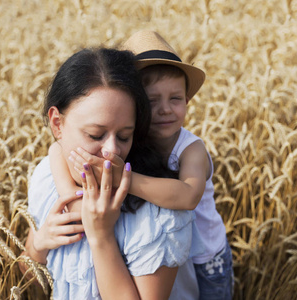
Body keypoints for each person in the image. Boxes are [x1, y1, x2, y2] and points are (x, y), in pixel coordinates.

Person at [20, 47, 203, 299]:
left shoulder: (157, 215)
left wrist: (102, 237)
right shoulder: (46, 178)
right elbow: (27, 277)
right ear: (57, 124)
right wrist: (38, 245)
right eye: (95, 135)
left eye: (125, 136)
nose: (112, 151)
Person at [67, 31, 234, 299]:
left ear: (188, 101)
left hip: (206, 260)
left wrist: (124, 178)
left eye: (175, 99)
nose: (165, 109)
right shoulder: (129, 138)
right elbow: (57, 149)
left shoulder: (192, 149)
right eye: (152, 101)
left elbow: (188, 196)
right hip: (172, 256)